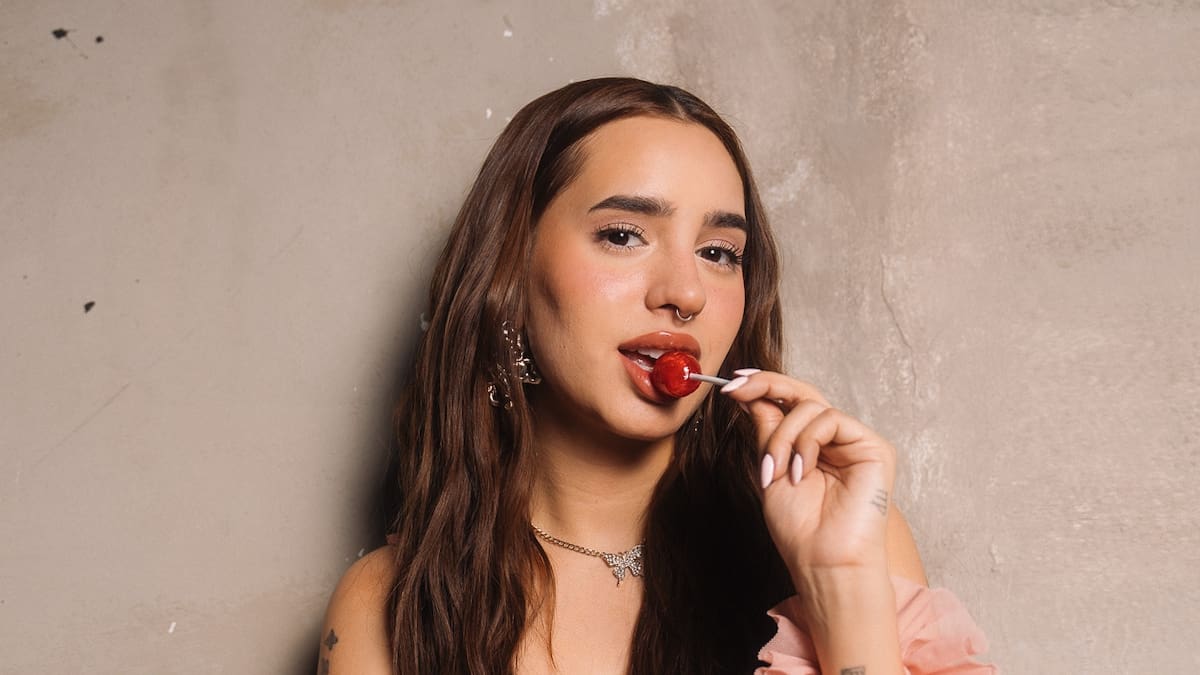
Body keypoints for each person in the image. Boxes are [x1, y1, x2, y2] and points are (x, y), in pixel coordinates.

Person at [317, 77, 995, 674]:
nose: (687, 292)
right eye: (623, 235)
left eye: (719, 252)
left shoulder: (849, 533)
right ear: (510, 275)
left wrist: (839, 582)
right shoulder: (391, 603)